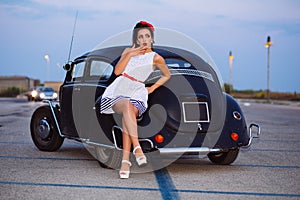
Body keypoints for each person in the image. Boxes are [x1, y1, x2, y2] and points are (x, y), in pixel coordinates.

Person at [100, 21, 170, 179]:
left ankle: (126, 161)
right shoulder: (128, 51)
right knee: (126, 106)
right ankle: (137, 148)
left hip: (138, 91)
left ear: (152, 38)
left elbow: (167, 75)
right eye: (140, 36)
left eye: (147, 36)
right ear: (137, 40)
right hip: (119, 89)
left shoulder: (156, 58)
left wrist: (151, 88)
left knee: (128, 112)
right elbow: (118, 71)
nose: (144, 39)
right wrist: (131, 54)